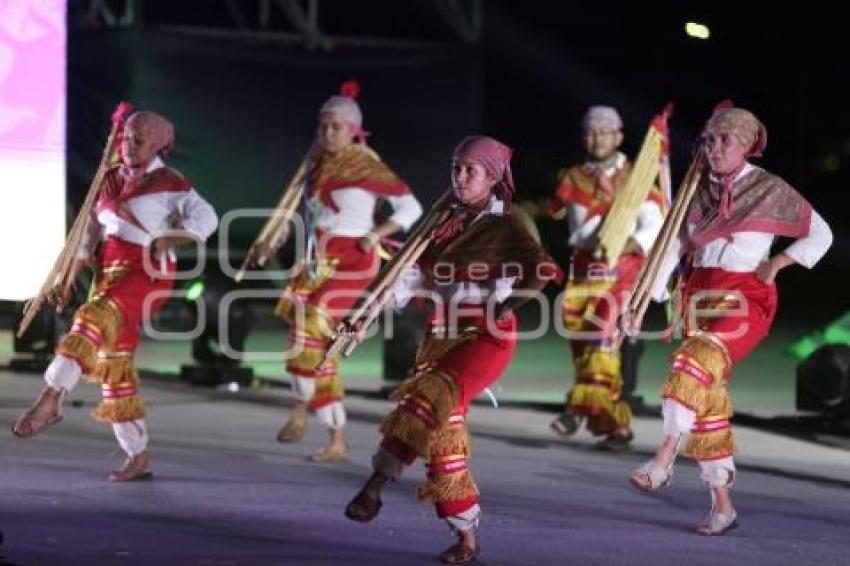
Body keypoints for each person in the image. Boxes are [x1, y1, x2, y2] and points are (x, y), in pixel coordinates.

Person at [344, 136, 558, 564]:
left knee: (429, 398)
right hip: (442, 334)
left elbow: (541, 272)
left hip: (486, 338)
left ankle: (375, 486)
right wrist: (365, 314)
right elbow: (412, 278)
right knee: (440, 426)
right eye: (455, 168)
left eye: (470, 170)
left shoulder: (507, 222)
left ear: (493, 178)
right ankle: (466, 536)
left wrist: (503, 304)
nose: (459, 177)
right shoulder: (444, 221)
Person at [629, 106, 833, 534]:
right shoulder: (695, 191)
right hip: (699, 302)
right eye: (709, 140)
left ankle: (664, 458)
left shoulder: (769, 189)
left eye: (725, 140)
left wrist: (779, 261)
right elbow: (672, 247)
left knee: (693, 365)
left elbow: (821, 233)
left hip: (745, 301)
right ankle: (723, 506)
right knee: (706, 400)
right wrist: (649, 295)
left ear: (746, 145)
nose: (715, 147)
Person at [12, 110, 219, 481]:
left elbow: (207, 218)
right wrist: (68, 279)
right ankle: (137, 455)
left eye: (138, 139)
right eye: (125, 137)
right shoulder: (106, 180)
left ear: (158, 145)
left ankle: (50, 398)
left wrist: (172, 238)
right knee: (113, 363)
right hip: (107, 273)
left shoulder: (171, 181)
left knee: (91, 319)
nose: (128, 144)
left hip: (148, 271)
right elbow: (87, 236)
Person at [249, 82, 423, 462]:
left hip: (354, 261)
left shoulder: (366, 164)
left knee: (315, 332)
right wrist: (272, 241)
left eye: (336, 127)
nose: (328, 133)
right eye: (323, 126)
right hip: (316, 259)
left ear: (354, 130)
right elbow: (305, 212)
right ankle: (317, 425)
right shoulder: (315, 164)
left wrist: (377, 233)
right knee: (302, 340)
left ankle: (325, 429)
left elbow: (411, 208)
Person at [549, 106, 665, 450]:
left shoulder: (637, 176)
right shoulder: (575, 177)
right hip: (585, 274)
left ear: (619, 136)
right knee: (587, 349)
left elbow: (653, 223)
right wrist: (609, 228)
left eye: (604, 131)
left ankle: (575, 410)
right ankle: (615, 428)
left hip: (622, 276)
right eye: (590, 131)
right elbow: (579, 232)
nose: (596, 138)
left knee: (602, 339)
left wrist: (629, 239)